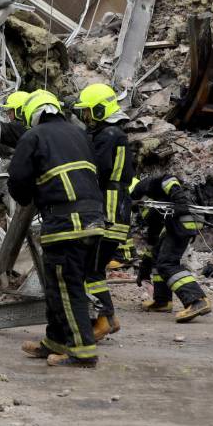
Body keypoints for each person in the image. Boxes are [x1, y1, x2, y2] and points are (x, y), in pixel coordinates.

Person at [8, 90, 105, 368]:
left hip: (65, 223)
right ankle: (56, 339)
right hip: (92, 220)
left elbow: (18, 178)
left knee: (66, 286)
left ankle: (81, 349)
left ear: (32, 114)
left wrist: (27, 197)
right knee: (56, 284)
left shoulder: (34, 136)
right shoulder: (78, 134)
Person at [72, 82, 134, 340]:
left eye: (87, 112)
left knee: (91, 270)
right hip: (119, 206)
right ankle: (110, 318)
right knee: (94, 267)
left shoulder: (107, 136)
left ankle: (101, 321)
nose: (85, 117)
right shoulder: (117, 134)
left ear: (99, 110)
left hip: (108, 209)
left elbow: (96, 168)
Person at [130, 174, 212, 322]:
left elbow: (168, 179)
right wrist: (144, 269)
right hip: (175, 223)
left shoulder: (142, 186)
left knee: (167, 263)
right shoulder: (147, 206)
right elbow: (154, 241)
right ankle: (162, 301)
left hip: (182, 219)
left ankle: (197, 301)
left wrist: (179, 200)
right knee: (157, 257)